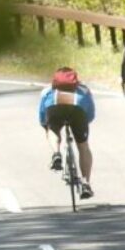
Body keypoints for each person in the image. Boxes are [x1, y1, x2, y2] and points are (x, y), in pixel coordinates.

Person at [38, 67, 96, 199]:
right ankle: (86, 183)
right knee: (83, 147)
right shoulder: (84, 90)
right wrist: (83, 126)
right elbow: (91, 114)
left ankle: (56, 153)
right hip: (77, 111)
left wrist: (47, 127)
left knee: (52, 130)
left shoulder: (47, 90)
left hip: (54, 108)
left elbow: (42, 116)